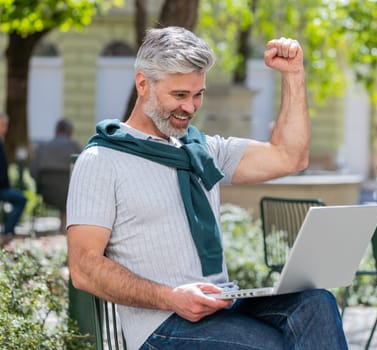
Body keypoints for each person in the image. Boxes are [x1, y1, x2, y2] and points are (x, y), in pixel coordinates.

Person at [67, 26, 348, 350]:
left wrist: (293, 74)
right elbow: (83, 267)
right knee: (271, 345)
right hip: (160, 324)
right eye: (179, 95)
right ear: (143, 84)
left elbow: (290, 157)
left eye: (197, 94)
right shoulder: (102, 160)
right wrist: (170, 297)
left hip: (221, 304)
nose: (190, 107)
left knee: (316, 303)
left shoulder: (203, 151)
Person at [30, 118, 82, 233]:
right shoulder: (74, 146)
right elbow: (84, 170)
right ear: (70, 132)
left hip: (47, 195)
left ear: (55, 131)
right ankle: (65, 228)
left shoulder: (42, 147)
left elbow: (32, 171)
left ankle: (63, 227)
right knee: (69, 191)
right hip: (68, 195)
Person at [0, 112, 27, 248]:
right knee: (21, 200)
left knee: (19, 198)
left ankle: (7, 231)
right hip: (2, 188)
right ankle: (7, 232)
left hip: (4, 187)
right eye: (3, 124)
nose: (5, 128)